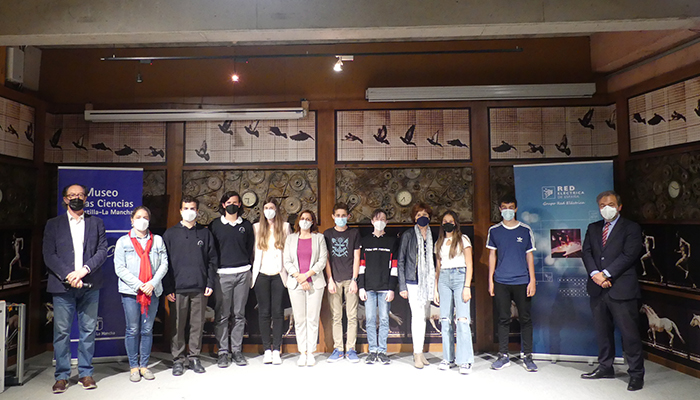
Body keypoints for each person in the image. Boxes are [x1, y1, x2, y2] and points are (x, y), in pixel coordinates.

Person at [43, 183, 107, 393]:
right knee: (62, 332)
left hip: (90, 284)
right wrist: (69, 275)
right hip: (63, 287)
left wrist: (83, 271)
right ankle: (62, 376)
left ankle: (86, 373)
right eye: (72, 195)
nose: (76, 198)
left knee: (88, 331)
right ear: (65, 199)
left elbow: (102, 251)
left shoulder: (96, 223)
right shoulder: (53, 224)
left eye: (80, 195)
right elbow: (49, 255)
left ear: (86, 198)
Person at [581, 190, 644, 391]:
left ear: (619, 206)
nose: (606, 208)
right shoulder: (593, 228)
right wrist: (595, 275)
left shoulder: (631, 228)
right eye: (602, 205)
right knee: (602, 332)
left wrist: (606, 274)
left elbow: (629, 255)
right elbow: (586, 253)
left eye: (610, 204)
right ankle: (605, 367)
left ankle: (636, 374)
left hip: (622, 288)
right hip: (597, 288)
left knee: (629, 334)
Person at [163, 196, 218, 376]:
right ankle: (178, 359)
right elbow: (164, 263)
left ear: (197, 211)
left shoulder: (205, 233)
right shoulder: (170, 234)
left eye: (192, 208)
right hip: (177, 288)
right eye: (186, 208)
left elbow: (212, 261)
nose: (189, 211)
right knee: (177, 326)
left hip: (200, 287)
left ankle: (194, 357)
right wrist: (168, 288)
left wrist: (209, 283)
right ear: (180, 211)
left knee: (197, 325)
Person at [114, 206, 168, 382]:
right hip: (131, 292)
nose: (142, 220)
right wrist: (139, 285)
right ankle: (133, 367)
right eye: (138, 217)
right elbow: (119, 268)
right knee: (132, 329)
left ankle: (144, 365)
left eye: (145, 217)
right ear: (132, 220)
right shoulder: (123, 242)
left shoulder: (157, 240)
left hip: (152, 291)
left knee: (147, 329)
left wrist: (151, 284)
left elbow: (164, 264)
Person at [486, 194, 538, 372]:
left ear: (516, 209)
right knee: (503, 318)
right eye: (504, 208)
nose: (507, 211)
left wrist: (532, 280)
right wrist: (490, 280)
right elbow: (492, 256)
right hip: (501, 281)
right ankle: (503, 356)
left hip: (522, 280)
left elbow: (529, 255)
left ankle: (528, 356)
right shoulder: (494, 231)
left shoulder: (525, 230)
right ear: (500, 209)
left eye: (511, 207)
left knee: (525, 319)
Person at [208, 191, 255, 368]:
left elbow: (249, 248)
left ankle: (236, 350)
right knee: (222, 314)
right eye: (228, 202)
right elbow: (211, 251)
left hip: (243, 273)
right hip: (222, 275)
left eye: (235, 202)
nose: (232, 205)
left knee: (239, 314)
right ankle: (222, 352)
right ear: (223, 205)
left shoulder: (246, 225)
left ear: (240, 205)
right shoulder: (215, 225)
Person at [283, 210, 328, 367]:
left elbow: (322, 260)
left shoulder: (319, 238)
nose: (305, 221)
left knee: (312, 318)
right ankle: (302, 352)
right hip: (296, 283)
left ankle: (311, 352)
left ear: (313, 222)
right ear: (298, 221)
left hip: (315, 283)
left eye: (308, 219)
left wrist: (307, 275)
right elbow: (287, 261)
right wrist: (299, 277)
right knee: (300, 319)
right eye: (302, 218)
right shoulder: (291, 238)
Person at [433, 210, 474, 375]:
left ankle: (465, 360)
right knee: (445, 319)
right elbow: (438, 268)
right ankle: (448, 358)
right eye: (444, 221)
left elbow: (469, 264)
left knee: (462, 320)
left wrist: (467, 286)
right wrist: (435, 289)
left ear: (455, 223)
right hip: (443, 279)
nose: (447, 223)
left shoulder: (464, 239)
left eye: (450, 221)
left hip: (459, 277)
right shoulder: (439, 242)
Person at [252, 197, 291, 365]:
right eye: (266, 207)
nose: (269, 210)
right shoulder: (256, 227)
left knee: (277, 312)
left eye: (272, 207)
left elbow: (289, 251)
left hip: (278, 274)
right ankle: (267, 349)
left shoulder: (285, 227)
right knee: (264, 312)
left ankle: (277, 349)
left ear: (276, 210)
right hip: (261, 273)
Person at [398, 202, 435, 369]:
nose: (422, 217)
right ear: (414, 218)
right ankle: (417, 353)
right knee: (417, 317)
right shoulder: (408, 235)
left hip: (428, 282)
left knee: (424, 316)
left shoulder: (434, 235)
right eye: (419, 215)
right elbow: (401, 261)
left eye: (425, 215)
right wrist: (402, 286)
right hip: (413, 282)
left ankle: (420, 352)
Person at [358, 209, 398, 365]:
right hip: (368, 288)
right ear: (372, 221)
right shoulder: (365, 241)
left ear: (386, 222)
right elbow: (361, 266)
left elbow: (394, 267)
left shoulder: (392, 241)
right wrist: (361, 287)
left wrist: (391, 288)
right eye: (377, 219)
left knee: (384, 319)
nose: (380, 221)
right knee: (369, 319)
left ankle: (382, 351)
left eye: (383, 219)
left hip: (385, 288)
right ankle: (372, 351)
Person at [323, 202, 361, 363]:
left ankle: (351, 349)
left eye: (343, 215)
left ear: (348, 216)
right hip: (334, 280)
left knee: (352, 316)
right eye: (338, 215)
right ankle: (338, 349)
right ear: (333, 216)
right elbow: (326, 259)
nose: (340, 218)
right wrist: (330, 279)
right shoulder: (327, 234)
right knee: (336, 316)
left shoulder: (354, 233)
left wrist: (354, 279)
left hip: (350, 279)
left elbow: (357, 257)